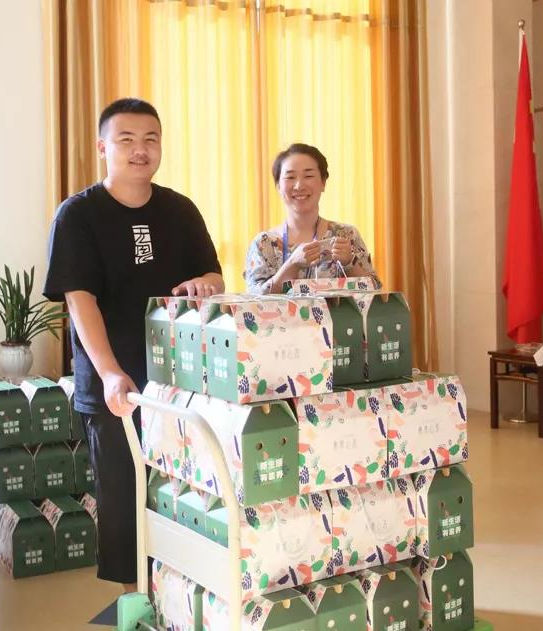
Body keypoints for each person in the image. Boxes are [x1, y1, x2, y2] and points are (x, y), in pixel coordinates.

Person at [43, 98, 224, 592]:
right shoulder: (77, 215)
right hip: (117, 386)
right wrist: (108, 373)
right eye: (126, 140)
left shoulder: (180, 209)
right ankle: (136, 604)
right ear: (103, 147)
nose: (140, 150)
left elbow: (214, 275)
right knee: (125, 497)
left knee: (186, 491)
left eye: (150, 140)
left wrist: (205, 284)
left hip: (180, 384)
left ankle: (181, 600)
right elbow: (80, 301)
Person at [244, 143, 379, 294]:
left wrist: (349, 263)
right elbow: (253, 299)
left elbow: (376, 293)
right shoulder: (264, 243)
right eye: (290, 177)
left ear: (323, 182)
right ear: (278, 186)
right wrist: (292, 264)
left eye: (308, 176)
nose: (299, 186)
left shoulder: (346, 235)